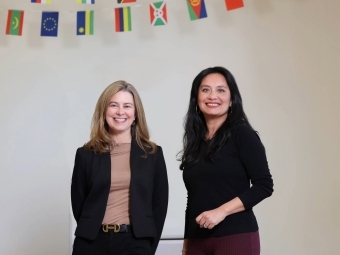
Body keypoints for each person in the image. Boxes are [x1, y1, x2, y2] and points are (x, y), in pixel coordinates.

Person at [179, 67, 274, 255]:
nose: (212, 96)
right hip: (197, 240)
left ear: (231, 100)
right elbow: (194, 198)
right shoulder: (195, 141)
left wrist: (221, 212)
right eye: (205, 90)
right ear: (196, 99)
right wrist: (187, 241)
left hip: (236, 236)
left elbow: (264, 185)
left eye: (221, 90)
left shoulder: (242, 134)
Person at [71, 80, 168, 255]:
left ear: (136, 113)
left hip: (136, 242)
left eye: (127, 106)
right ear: (104, 111)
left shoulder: (152, 154)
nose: (120, 112)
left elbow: (159, 204)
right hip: (91, 242)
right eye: (113, 105)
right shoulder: (85, 154)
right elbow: (79, 202)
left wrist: (147, 245)